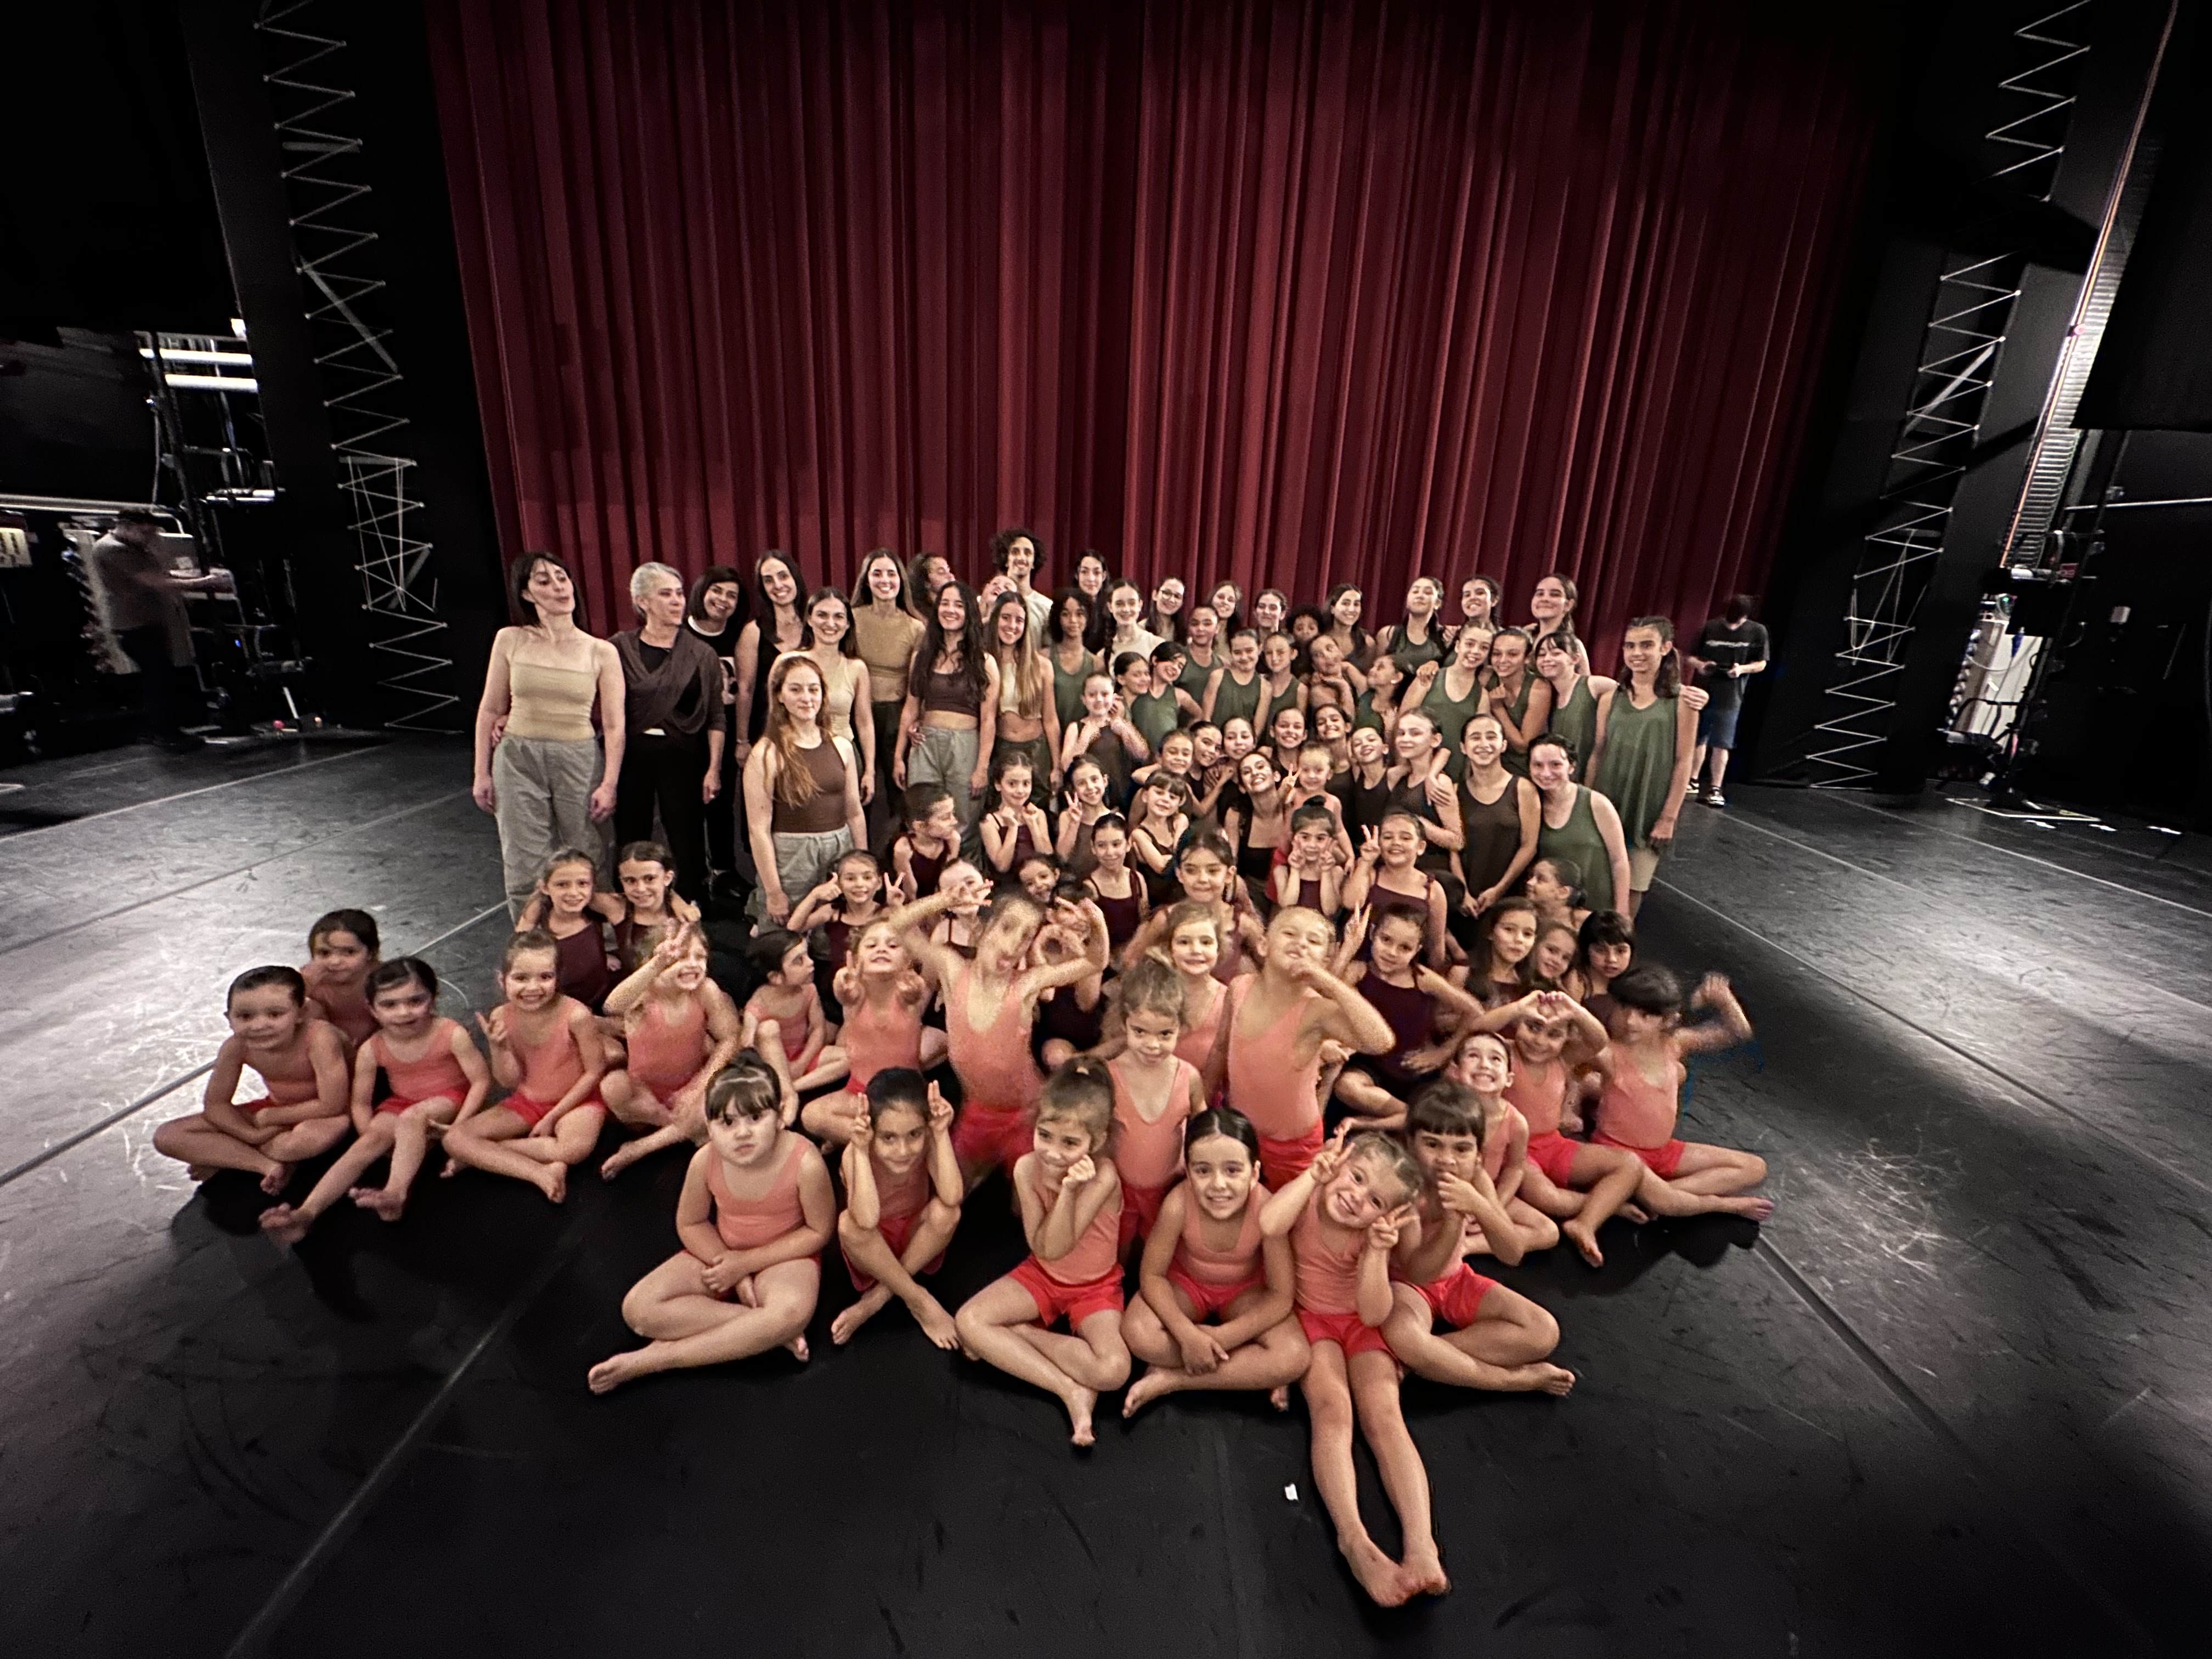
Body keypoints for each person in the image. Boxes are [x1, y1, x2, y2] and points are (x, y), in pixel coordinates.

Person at [1260, 1127, 1441, 1606]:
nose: (1357, 1197)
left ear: (1386, 1215)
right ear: (1339, 1163)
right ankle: (1355, 1540)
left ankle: (1421, 1543)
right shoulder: (1310, 1192)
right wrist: (1313, 1175)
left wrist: (1378, 1253)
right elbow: (1270, 1224)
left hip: (1359, 1324)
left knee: (1386, 1417)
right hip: (1311, 1321)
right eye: (1356, 1177)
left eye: (1375, 1200)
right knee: (1333, 1411)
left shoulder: (1370, 1237)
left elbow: (1374, 1313)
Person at [588, 1057, 834, 1392]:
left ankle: (658, 1358)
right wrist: (733, 1269)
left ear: (780, 1117)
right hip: (722, 1251)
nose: (743, 1133)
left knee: (790, 1313)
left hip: (784, 1257)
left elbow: (819, 1232)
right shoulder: (704, 1160)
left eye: (756, 1118)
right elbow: (691, 1223)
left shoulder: (806, 1162)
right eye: (727, 1122)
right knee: (638, 1309)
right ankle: (762, 1333)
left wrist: (746, 1263)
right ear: (709, 1126)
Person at [952, 1058, 1132, 1447]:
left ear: (1096, 1142)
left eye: (1070, 1143)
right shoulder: (1026, 1169)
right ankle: (1067, 1389)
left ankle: (1020, 1336)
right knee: (968, 1322)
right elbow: (1045, 1249)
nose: (1053, 1152)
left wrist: (1069, 1191)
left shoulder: (1103, 1177)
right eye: (1045, 1136)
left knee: (1114, 1369)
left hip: (1096, 1287)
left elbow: (1061, 1243)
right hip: (1042, 1274)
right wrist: (1064, 1191)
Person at [259, 958, 490, 1243]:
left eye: (415, 1001)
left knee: (413, 1118)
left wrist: (460, 1126)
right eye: (390, 1005)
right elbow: (360, 1102)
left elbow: (480, 1080)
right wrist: (369, 1133)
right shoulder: (373, 1048)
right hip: (401, 1102)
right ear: (372, 1009)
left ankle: (395, 1193)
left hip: (449, 1097)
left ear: (433, 998)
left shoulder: (450, 1033)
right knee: (367, 1144)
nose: (404, 1012)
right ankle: (306, 1212)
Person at [895, 885, 1106, 1188]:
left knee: (1030, 1199)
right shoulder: (953, 970)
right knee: (950, 1188)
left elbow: (1095, 962)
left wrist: (1097, 923)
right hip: (977, 1112)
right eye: (1007, 928)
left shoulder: (1026, 985)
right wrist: (943, 900)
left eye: (1026, 936)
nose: (1015, 944)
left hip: (1027, 1115)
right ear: (981, 929)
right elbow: (898, 926)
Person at [1385, 1078, 1574, 1393]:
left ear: (1477, 1154)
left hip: (1456, 1279)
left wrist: (1480, 1206)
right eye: (1432, 1145)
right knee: (1403, 1334)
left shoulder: (1475, 1177)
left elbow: (1512, 1253)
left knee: (1543, 1331)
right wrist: (1453, 1218)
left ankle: (1428, 1358)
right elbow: (1418, 1272)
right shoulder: (1406, 1188)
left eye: (1461, 1149)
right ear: (1410, 1145)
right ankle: (1512, 1381)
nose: (1447, 1159)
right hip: (1406, 1286)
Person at [1120, 1107, 1306, 1417]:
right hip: (1186, 1286)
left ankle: (1174, 1380)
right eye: (1203, 1171)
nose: (1218, 1184)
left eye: (1232, 1170)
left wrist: (1221, 1338)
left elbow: (1280, 1296)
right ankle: (1245, 1369)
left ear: (1254, 1173)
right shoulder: (1179, 1203)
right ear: (1188, 1171)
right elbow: (1152, 1275)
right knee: (1137, 1332)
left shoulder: (1268, 1209)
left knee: (1294, 1356)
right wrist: (1187, 1334)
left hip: (1244, 1293)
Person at [473, 550, 625, 918]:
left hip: (578, 757)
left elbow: (614, 724)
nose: (558, 587)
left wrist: (609, 783)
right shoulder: (510, 639)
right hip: (518, 757)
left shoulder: (601, 651)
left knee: (588, 852)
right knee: (524, 858)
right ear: (527, 594)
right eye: (544, 581)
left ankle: (596, 938)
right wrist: (481, 772)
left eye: (562, 578)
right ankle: (532, 939)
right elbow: (490, 709)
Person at [1210, 907, 1395, 1188]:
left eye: (1313, 941)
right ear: (1263, 945)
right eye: (1290, 933)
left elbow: (1381, 1041)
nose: (1301, 944)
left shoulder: (1317, 1011)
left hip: (1292, 1148)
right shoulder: (1240, 987)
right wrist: (1202, 1108)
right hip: (1238, 1129)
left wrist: (1328, 982)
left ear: (1325, 960)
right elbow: (1220, 1050)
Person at [443, 930, 609, 1203]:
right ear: (502, 980)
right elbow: (508, 1082)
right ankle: (538, 1172)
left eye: (545, 977)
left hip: (578, 1101)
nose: (533, 988)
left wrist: (553, 1116)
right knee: (454, 1139)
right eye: (521, 978)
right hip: (527, 1100)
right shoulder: (501, 1016)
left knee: (574, 1149)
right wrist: (499, 1048)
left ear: (558, 978)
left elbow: (594, 1072)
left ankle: (490, 1155)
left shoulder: (576, 1015)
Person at [1590, 966, 1774, 1212]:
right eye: (1625, 1009)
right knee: (1659, 1197)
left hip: (1663, 1152)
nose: (1631, 1021)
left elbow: (1737, 1032)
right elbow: (1569, 1063)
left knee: (1754, 1168)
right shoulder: (1609, 1053)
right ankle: (1709, 1203)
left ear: (1667, 1020)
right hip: (1619, 1157)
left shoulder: (1674, 1044)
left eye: (1645, 1015)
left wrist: (1724, 1000)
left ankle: (1656, 1194)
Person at [153, 966, 351, 1192]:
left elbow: (333, 1104)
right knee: (168, 1136)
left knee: (297, 1143)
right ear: (229, 1019)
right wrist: (250, 1134)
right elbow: (216, 1105)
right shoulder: (236, 1046)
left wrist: (273, 1117)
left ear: (301, 1013)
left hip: (322, 1115)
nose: (259, 1026)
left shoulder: (319, 1037)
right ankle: (266, 1166)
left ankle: (233, 1157)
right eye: (245, 1016)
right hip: (273, 1112)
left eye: (275, 1014)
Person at [611, 562, 725, 904]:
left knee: (686, 833)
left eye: (679, 593)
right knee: (631, 831)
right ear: (642, 601)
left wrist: (714, 768)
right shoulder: (618, 649)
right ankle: (632, 903)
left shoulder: (702, 654)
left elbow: (716, 716)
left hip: (683, 755)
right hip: (632, 755)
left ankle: (688, 902)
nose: (677, 601)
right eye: (666, 594)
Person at [831, 1068, 966, 1347]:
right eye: (889, 1138)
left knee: (948, 1212)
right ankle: (919, 1300)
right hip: (874, 1250)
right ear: (871, 1131)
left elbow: (952, 1196)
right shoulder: (855, 1153)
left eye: (914, 1134)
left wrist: (940, 1134)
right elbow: (866, 1220)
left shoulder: (930, 1141)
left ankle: (876, 1299)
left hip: (917, 1241)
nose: (903, 1151)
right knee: (849, 1225)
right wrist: (860, 1151)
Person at [599, 925, 743, 1180]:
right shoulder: (643, 994)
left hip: (690, 1088)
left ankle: (641, 1148)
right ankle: (680, 1127)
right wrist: (657, 965)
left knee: (719, 1089)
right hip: (644, 1097)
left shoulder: (705, 990)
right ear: (653, 961)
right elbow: (611, 1007)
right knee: (612, 1086)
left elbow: (730, 1038)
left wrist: (698, 1086)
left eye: (700, 957)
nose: (693, 965)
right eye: (680, 957)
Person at [89, 507, 233, 751]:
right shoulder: (113, 549)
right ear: (127, 527)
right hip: (135, 624)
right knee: (158, 678)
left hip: (147, 621)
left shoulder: (133, 546)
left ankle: (165, 729)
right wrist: (204, 583)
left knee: (160, 676)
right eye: (145, 533)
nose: (150, 538)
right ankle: (165, 733)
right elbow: (155, 582)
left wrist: (198, 575)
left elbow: (161, 573)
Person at [745, 655, 866, 928]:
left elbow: (855, 813)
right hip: (792, 857)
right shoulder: (765, 753)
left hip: (839, 849)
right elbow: (759, 830)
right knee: (786, 931)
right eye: (796, 689)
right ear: (780, 696)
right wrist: (774, 891)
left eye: (813, 689)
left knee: (837, 930)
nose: (807, 698)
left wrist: (862, 862)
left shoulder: (842, 746)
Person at [1589, 617, 1697, 916]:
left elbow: (1683, 762)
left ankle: (1620, 939)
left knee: (1634, 887)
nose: (1637, 653)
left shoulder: (1682, 702)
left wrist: (1668, 818)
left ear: (1665, 648)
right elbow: (1598, 751)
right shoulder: (1611, 698)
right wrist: (1586, 797)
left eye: (1646, 645)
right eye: (1630, 646)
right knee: (1598, 879)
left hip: (1648, 808)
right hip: (1608, 799)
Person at [1104, 957, 1207, 1249]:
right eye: (1140, 1032)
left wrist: (1195, 1172)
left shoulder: (1188, 1077)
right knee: (1118, 1247)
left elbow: (1203, 1129)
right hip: (1119, 1189)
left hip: (1168, 1190)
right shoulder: (1110, 1076)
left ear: (1180, 1028)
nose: (1152, 1045)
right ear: (1125, 1024)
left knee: (1159, 1249)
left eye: (1165, 1034)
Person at [894, 579, 997, 856]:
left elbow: (988, 720)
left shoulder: (985, 661)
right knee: (922, 815)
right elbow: (911, 708)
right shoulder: (922, 657)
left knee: (961, 820)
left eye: (958, 605)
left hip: (965, 745)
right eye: (945, 603)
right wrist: (899, 756)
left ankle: (961, 876)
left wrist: (982, 767)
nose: (950, 610)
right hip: (925, 744)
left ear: (969, 612)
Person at [850, 551, 927, 840]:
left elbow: (918, 686)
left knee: (899, 792)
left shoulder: (916, 627)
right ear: (866, 580)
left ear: (901, 580)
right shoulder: (851, 618)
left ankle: (900, 852)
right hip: (857, 714)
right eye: (877, 573)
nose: (885, 580)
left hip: (897, 714)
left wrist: (916, 720)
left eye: (891, 574)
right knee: (859, 789)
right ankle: (859, 855)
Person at [1528, 734, 1633, 918]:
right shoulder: (1531, 806)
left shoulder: (1597, 804)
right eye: (1538, 765)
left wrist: (1622, 911)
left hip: (1597, 910)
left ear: (1572, 766)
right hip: (1552, 914)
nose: (1546, 773)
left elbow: (1619, 860)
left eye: (1555, 765)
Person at [790, 586, 875, 803]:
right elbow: (776, 717)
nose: (830, 623)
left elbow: (865, 723)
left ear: (848, 624)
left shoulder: (856, 668)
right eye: (822, 615)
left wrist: (870, 771)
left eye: (838, 617)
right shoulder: (789, 663)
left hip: (843, 757)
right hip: (798, 756)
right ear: (809, 619)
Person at [1684, 595, 1770, 807]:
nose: (1732, 625)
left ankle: (1716, 787)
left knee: (1722, 742)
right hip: (1704, 689)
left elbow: (1761, 664)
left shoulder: (1757, 631)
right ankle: (1692, 780)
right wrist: (1701, 666)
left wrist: (1741, 669)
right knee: (1698, 737)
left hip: (1731, 694)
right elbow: (1690, 656)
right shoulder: (1710, 627)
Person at [515, 847, 620, 1013]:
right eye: (562, 885)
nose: (573, 892)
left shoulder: (592, 908)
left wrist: (601, 956)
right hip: (562, 1005)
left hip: (603, 994)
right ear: (545, 887)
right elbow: (516, 952)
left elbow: (633, 910)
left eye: (583, 884)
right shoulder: (540, 915)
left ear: (592, 886)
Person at [1455, 712, 1539, 919]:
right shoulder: (1455, 792)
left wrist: (1500, 889)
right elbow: (1453, 850)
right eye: (1475, 737)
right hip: (1467, 901)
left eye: (1491, 737)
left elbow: (1529, 846)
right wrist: (1463, 893)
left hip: (1510, 897)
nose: (1484, 744)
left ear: (1503, 745)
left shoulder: (1523, 789)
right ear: (1463, 747)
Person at [984, 589, 1058, 790]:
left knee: (1037, 806)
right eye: (1006, 618)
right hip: (1000, 748)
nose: (1012, 626)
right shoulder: (985, 663)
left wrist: (1057, 766)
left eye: (1019, 620)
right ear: (995, 619)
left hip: (1036, 750)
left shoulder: (1042, 665)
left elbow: (1051, 719)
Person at [301, 908, 380, 1054]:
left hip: (377, 1046)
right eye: (325, 953)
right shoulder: (309, 979)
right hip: (328, 1048)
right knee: (303, 1006)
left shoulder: (381, 977)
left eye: (349, 952)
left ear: (371, 953)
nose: (335, 961)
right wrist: (305, 987)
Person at [1373, 575, 1446, 675]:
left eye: (1428, 593)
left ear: (1437, 603)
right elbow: (1375, 674)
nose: (1420, 596)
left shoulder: (1446, 636)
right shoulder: (1388, 634)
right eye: (1415, 591)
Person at [989, 526, 1054, 638]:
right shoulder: (989, 600)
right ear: (1006, 559)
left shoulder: (1046, 607)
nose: (1021, 558)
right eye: (1015, 552)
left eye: (1028, 553)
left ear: (1034, 562)